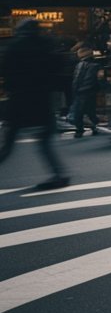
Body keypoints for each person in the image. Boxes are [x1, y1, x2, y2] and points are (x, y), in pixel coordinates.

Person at [0, 19, 70, 189]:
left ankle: (58, 174)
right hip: (41, 101)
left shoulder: (14, 47)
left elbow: (5, 71)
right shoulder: (47, 46)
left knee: (8, 144)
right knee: (44, 142)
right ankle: (58, 174)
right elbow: (60, 68)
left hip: (18, 101)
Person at [70, 47, 103, 137]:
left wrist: (75, 90)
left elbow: (76, 80)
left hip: (81, 92)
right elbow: (99, 79)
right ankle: (94, 126)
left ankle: (80, 129)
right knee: (90, 110)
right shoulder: (96, 65)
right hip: (90, 91)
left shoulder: (79, 65)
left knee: (79, 112)